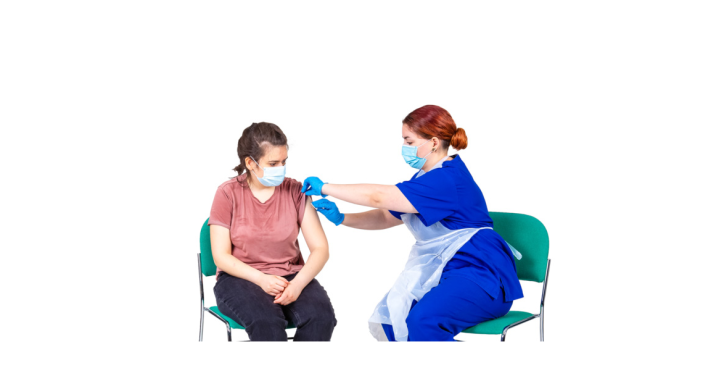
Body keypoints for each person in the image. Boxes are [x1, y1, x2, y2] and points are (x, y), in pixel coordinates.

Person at [302, 105, 522, 341]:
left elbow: (379, 196)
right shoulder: (423, 179)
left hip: (482, 278)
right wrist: (343, 218)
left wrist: (326, 188)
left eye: (409, 141)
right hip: (447, 272)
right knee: (392, 323)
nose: (404, 148)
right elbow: (386, 215)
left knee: (422, 322)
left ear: (434, 142)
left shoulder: (447, 178)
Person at [209, 122, 337, 341]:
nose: (281, 168)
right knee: (266, 322)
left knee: (321, 318)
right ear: (250, 163)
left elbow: (320, 248)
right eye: (273, 163)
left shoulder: (296, 191)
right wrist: (261, 279)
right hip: (240, 277)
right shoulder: (227, 193)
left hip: (290, 274)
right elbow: (221, 256)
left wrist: (297, 284)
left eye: (284, 161)